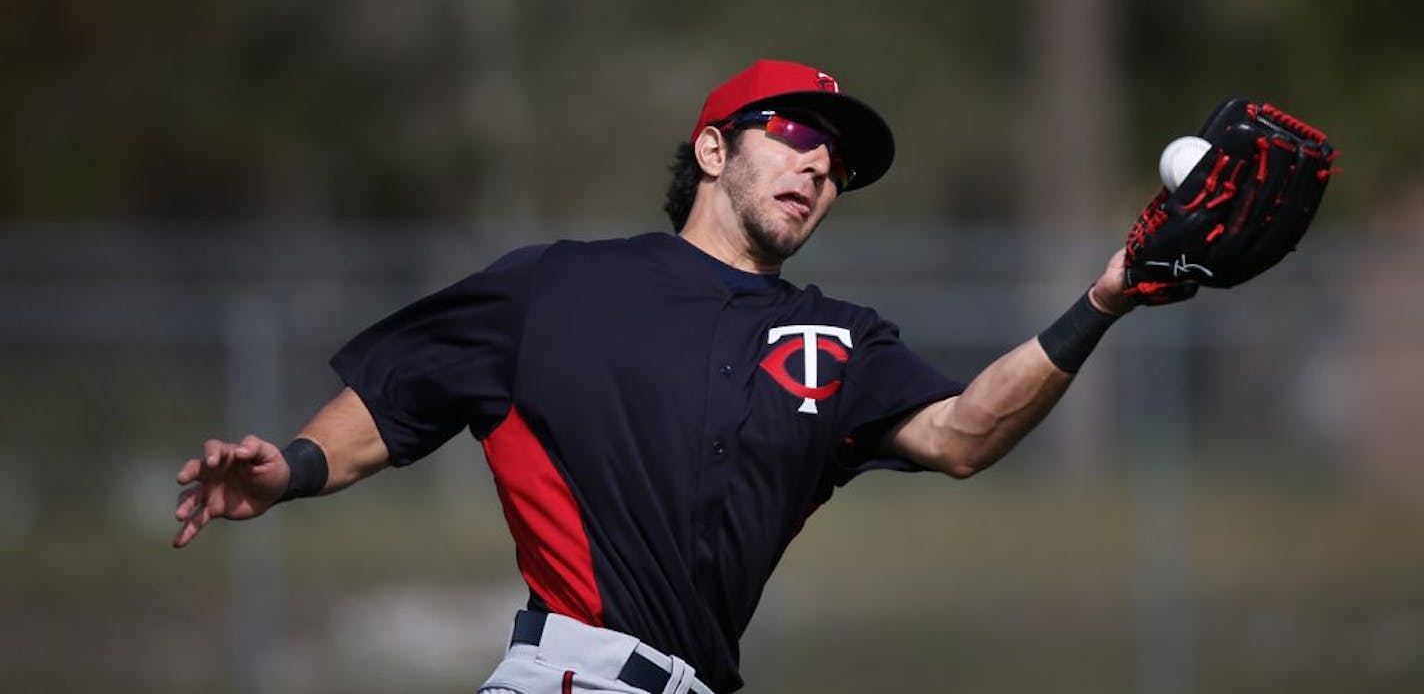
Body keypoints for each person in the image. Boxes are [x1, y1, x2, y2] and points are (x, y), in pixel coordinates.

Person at [173, 59, 1140, 694]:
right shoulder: (559, 288)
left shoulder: (839, 339)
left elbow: (965, 431)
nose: (820, 167)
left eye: (836, 160)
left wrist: (1107, 297)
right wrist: (292, 465)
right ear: (715, 148)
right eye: (795, 134)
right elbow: (398, 397)